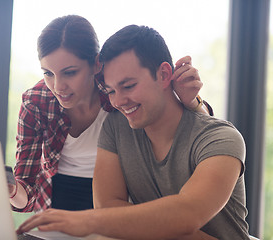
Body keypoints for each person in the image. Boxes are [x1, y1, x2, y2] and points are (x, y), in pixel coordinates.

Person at [16, 24, 249, 240]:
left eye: (128, 86)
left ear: (165, 75)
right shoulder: (116, 128)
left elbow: (187, 213)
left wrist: (90, 221)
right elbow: (107, 208)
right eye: (110, 91)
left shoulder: (221, 139)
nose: (118, 101)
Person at [9, 15, 212, 213]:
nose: (58, 86)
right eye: (48, 73)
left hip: (121, 197)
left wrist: (192, 101)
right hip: (56, 202)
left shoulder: (118, 91)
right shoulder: (36, 103)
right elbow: (27, 194)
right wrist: (10, 190)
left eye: (70, 72)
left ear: (97, 64)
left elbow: (192, 126)